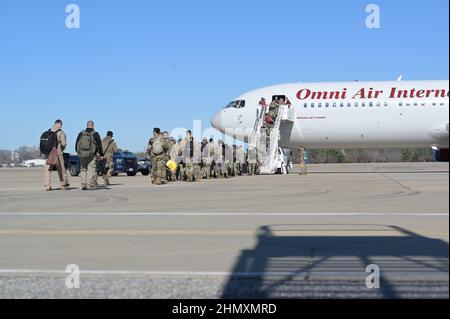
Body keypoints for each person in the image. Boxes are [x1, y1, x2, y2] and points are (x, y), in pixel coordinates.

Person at [75, 120, 104, 190]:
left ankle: (83, 184)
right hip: (91, 155)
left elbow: (76, 144)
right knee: (91, 170)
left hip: (82, 155)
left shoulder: (81, 133)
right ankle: (90, 185)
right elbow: (99, 145)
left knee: (83, 170)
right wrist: (101, 154)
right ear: (93, 126)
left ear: (86, 125)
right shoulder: (95, 134)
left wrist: (78, 152)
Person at [43, 119, 70, 191]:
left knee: (48, 169)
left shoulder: (48, 131)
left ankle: (47, 186)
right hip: (57, 152)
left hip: (48, 152)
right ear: (60, 124)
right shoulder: (61, 132)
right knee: (61, 169)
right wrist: (61, 149)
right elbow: (63, 143)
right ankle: (63, 184)